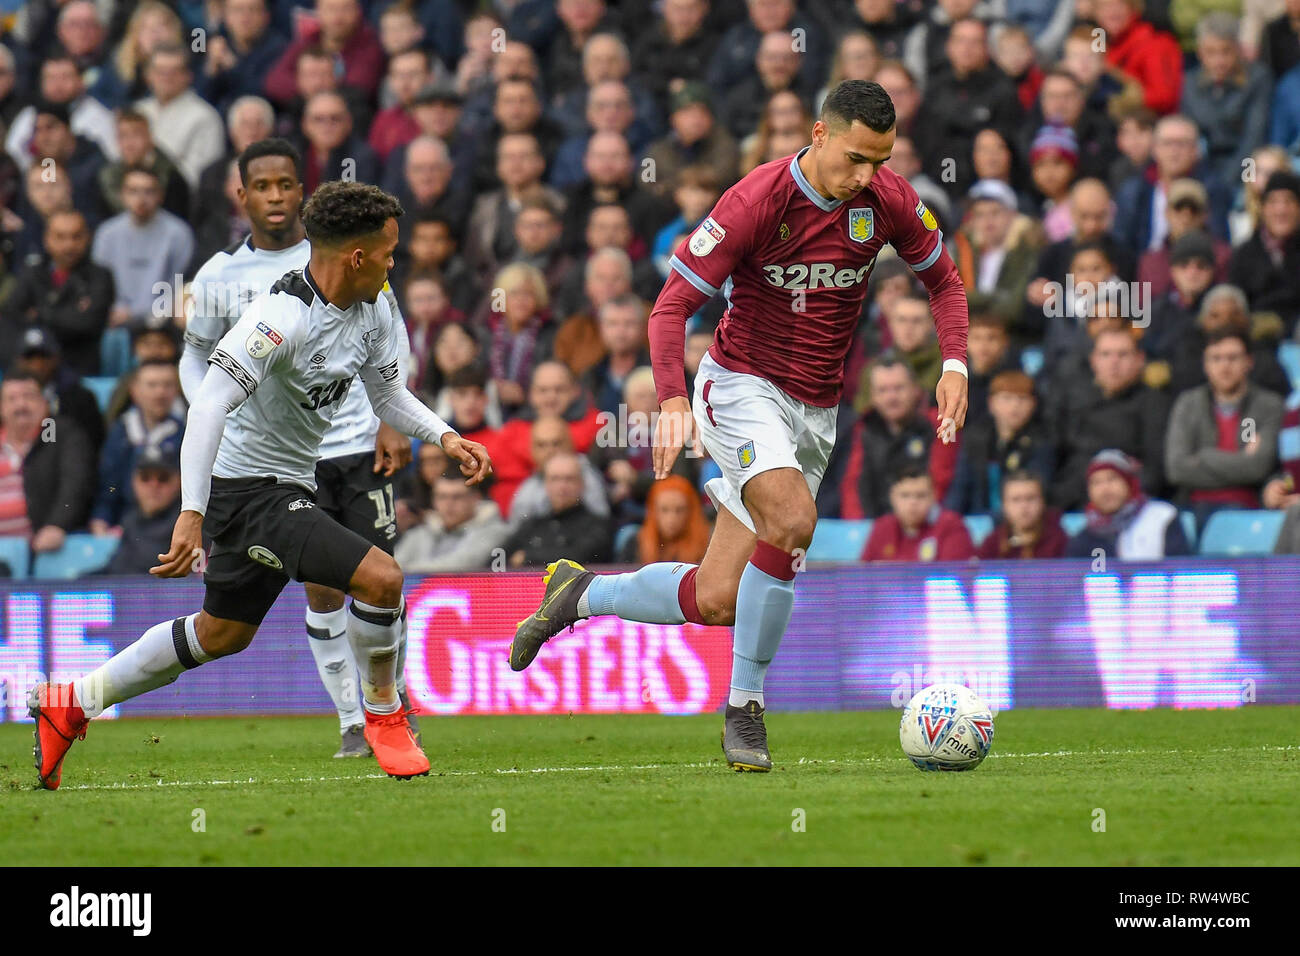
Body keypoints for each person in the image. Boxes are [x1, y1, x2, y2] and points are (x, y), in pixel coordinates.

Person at [508, 80, 969, 771]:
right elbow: (669, 309)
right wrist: (670, 400)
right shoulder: (756, 201)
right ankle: (745, 709)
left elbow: (945, 282)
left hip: (816, 409)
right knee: (791, 519)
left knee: (719, 596)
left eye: (881, 160)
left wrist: (955, 364)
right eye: (855, 159)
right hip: (739, 385)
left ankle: (578, 593)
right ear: (817, 136)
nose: (867, 176)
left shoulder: (889, 200)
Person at [29, 181, 492, 789]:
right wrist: (191, 512)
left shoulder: (373, 302)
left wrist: (445, 436)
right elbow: (209, 406)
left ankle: (72, 701)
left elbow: (386, 393)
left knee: (220, 633)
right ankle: (383, 715)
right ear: (355, 256)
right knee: (382, 578)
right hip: (250, 490)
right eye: (387, 252)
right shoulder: (278, 320)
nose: (392, 261)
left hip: (290, 481)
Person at [182, 139, 420, 759]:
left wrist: (410, 423)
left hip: (355, 445)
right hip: (276, 464)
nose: (277, 196)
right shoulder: (225, 281)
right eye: (263, 186)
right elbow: (201, 367)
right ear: (244, 196)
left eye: (287, 184)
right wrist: (213, 421)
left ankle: (388, 703)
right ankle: (357, 717)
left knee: (379, 580)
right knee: (330, 587)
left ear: (301, 190)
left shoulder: (362, 276)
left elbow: (389, 360)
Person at [1164, 327, 1282, 529]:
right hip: (1191, 506)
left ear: (1249, 362)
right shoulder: (1188, 404)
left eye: (1232, 358)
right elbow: (1176, 468)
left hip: (1244, 507)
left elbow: (1256, 467)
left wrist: (1202, 457)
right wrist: (1239, 461)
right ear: (1205, 364)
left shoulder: (1267, 406)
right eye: (1216, 358)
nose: (1224, 366)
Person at [0, 371, 95, 552]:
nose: (21, 405)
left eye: (29, 397)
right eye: (11, 399)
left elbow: (76, 483)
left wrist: (56, 524)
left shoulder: (60, 434)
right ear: (1, 407)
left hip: (41, 549)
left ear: (44, 403)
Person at [946, 370, 1053, 516]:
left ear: (1033, 404)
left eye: (1022, 399)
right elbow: (960, 487)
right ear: (991, 403)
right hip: (977, 519)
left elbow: (1036, 490)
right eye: (1007, 398)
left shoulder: (1042, 442)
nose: (1015, 406)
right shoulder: (975, 439)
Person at [1066, 448, 1190, 559]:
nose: (1105, 489)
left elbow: (1180, 570)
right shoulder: (1085, 538)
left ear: (1129, 483)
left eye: (1112, 478)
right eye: (1096, 483)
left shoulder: (1163, 517)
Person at [504, 451, 611, 567]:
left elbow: (578, 558)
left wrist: (527, 557)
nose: (562, 486)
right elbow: (497, 559)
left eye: (569, 479)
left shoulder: (598, 525)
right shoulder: (532, 525)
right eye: (555, 479)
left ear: (581, 484)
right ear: (546, 484)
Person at [393, 468, 508, 573]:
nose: (448, 504)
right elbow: (393, 567)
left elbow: (458, 566)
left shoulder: (493, 531)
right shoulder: (420, 532)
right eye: (442, 497)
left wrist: (407, 571)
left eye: (457, 497)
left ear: (475, 498)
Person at [862, 464, 975, 561]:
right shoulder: (882, 528)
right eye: (905, 495)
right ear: (892, 498)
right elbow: (863, 575)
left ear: (933, 497)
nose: (913, 502)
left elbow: (953, 577)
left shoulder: (951, 526)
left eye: (920, 495)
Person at [102, 445, 182, 574]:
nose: (154, 486)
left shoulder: (189, 524)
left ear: (178, 482)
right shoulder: (130, 519)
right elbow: (113, 571)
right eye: (145, 477)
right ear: (134, 481)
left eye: (163, 478)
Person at [976, 470, 1067, 559]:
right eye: (1016, 499)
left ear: (1043, 502)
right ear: (1004, 505)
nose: (1024, 506)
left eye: (1030, 498)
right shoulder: (993, 544)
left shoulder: (1060, 542)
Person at [623, 474, 711, 564]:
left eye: (679, 510)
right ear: (653, 511)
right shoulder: (636, 543)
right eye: (664, 510)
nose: (672, 518)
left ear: (691, 511)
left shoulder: (708, 545)